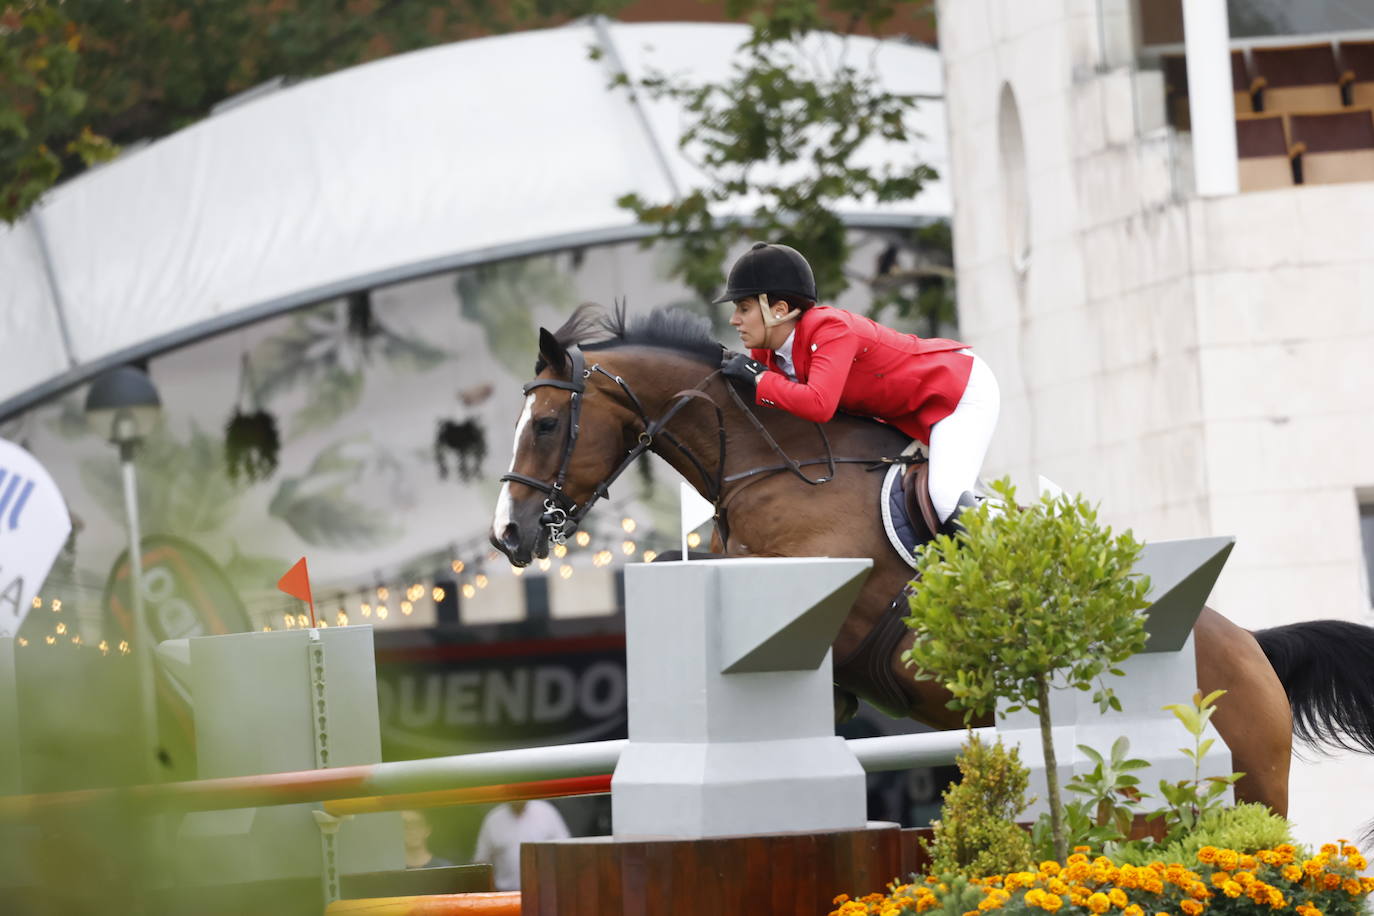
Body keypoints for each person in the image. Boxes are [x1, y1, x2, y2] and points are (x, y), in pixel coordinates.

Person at [716, 242, 1000, 532]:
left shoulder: (830, 329)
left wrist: (760, 379)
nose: (734, 320)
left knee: (946, 496)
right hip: (908, 407)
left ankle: (1033, 537)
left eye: (744, 308)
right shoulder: (766, 354)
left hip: (956, 390)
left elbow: (819, 404)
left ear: (778, 310)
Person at [471, 799, 570, 891]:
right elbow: (481, 862)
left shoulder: (547, 812)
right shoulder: (493, 819)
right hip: (505, 896)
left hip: (545, 893)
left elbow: (565, 852)